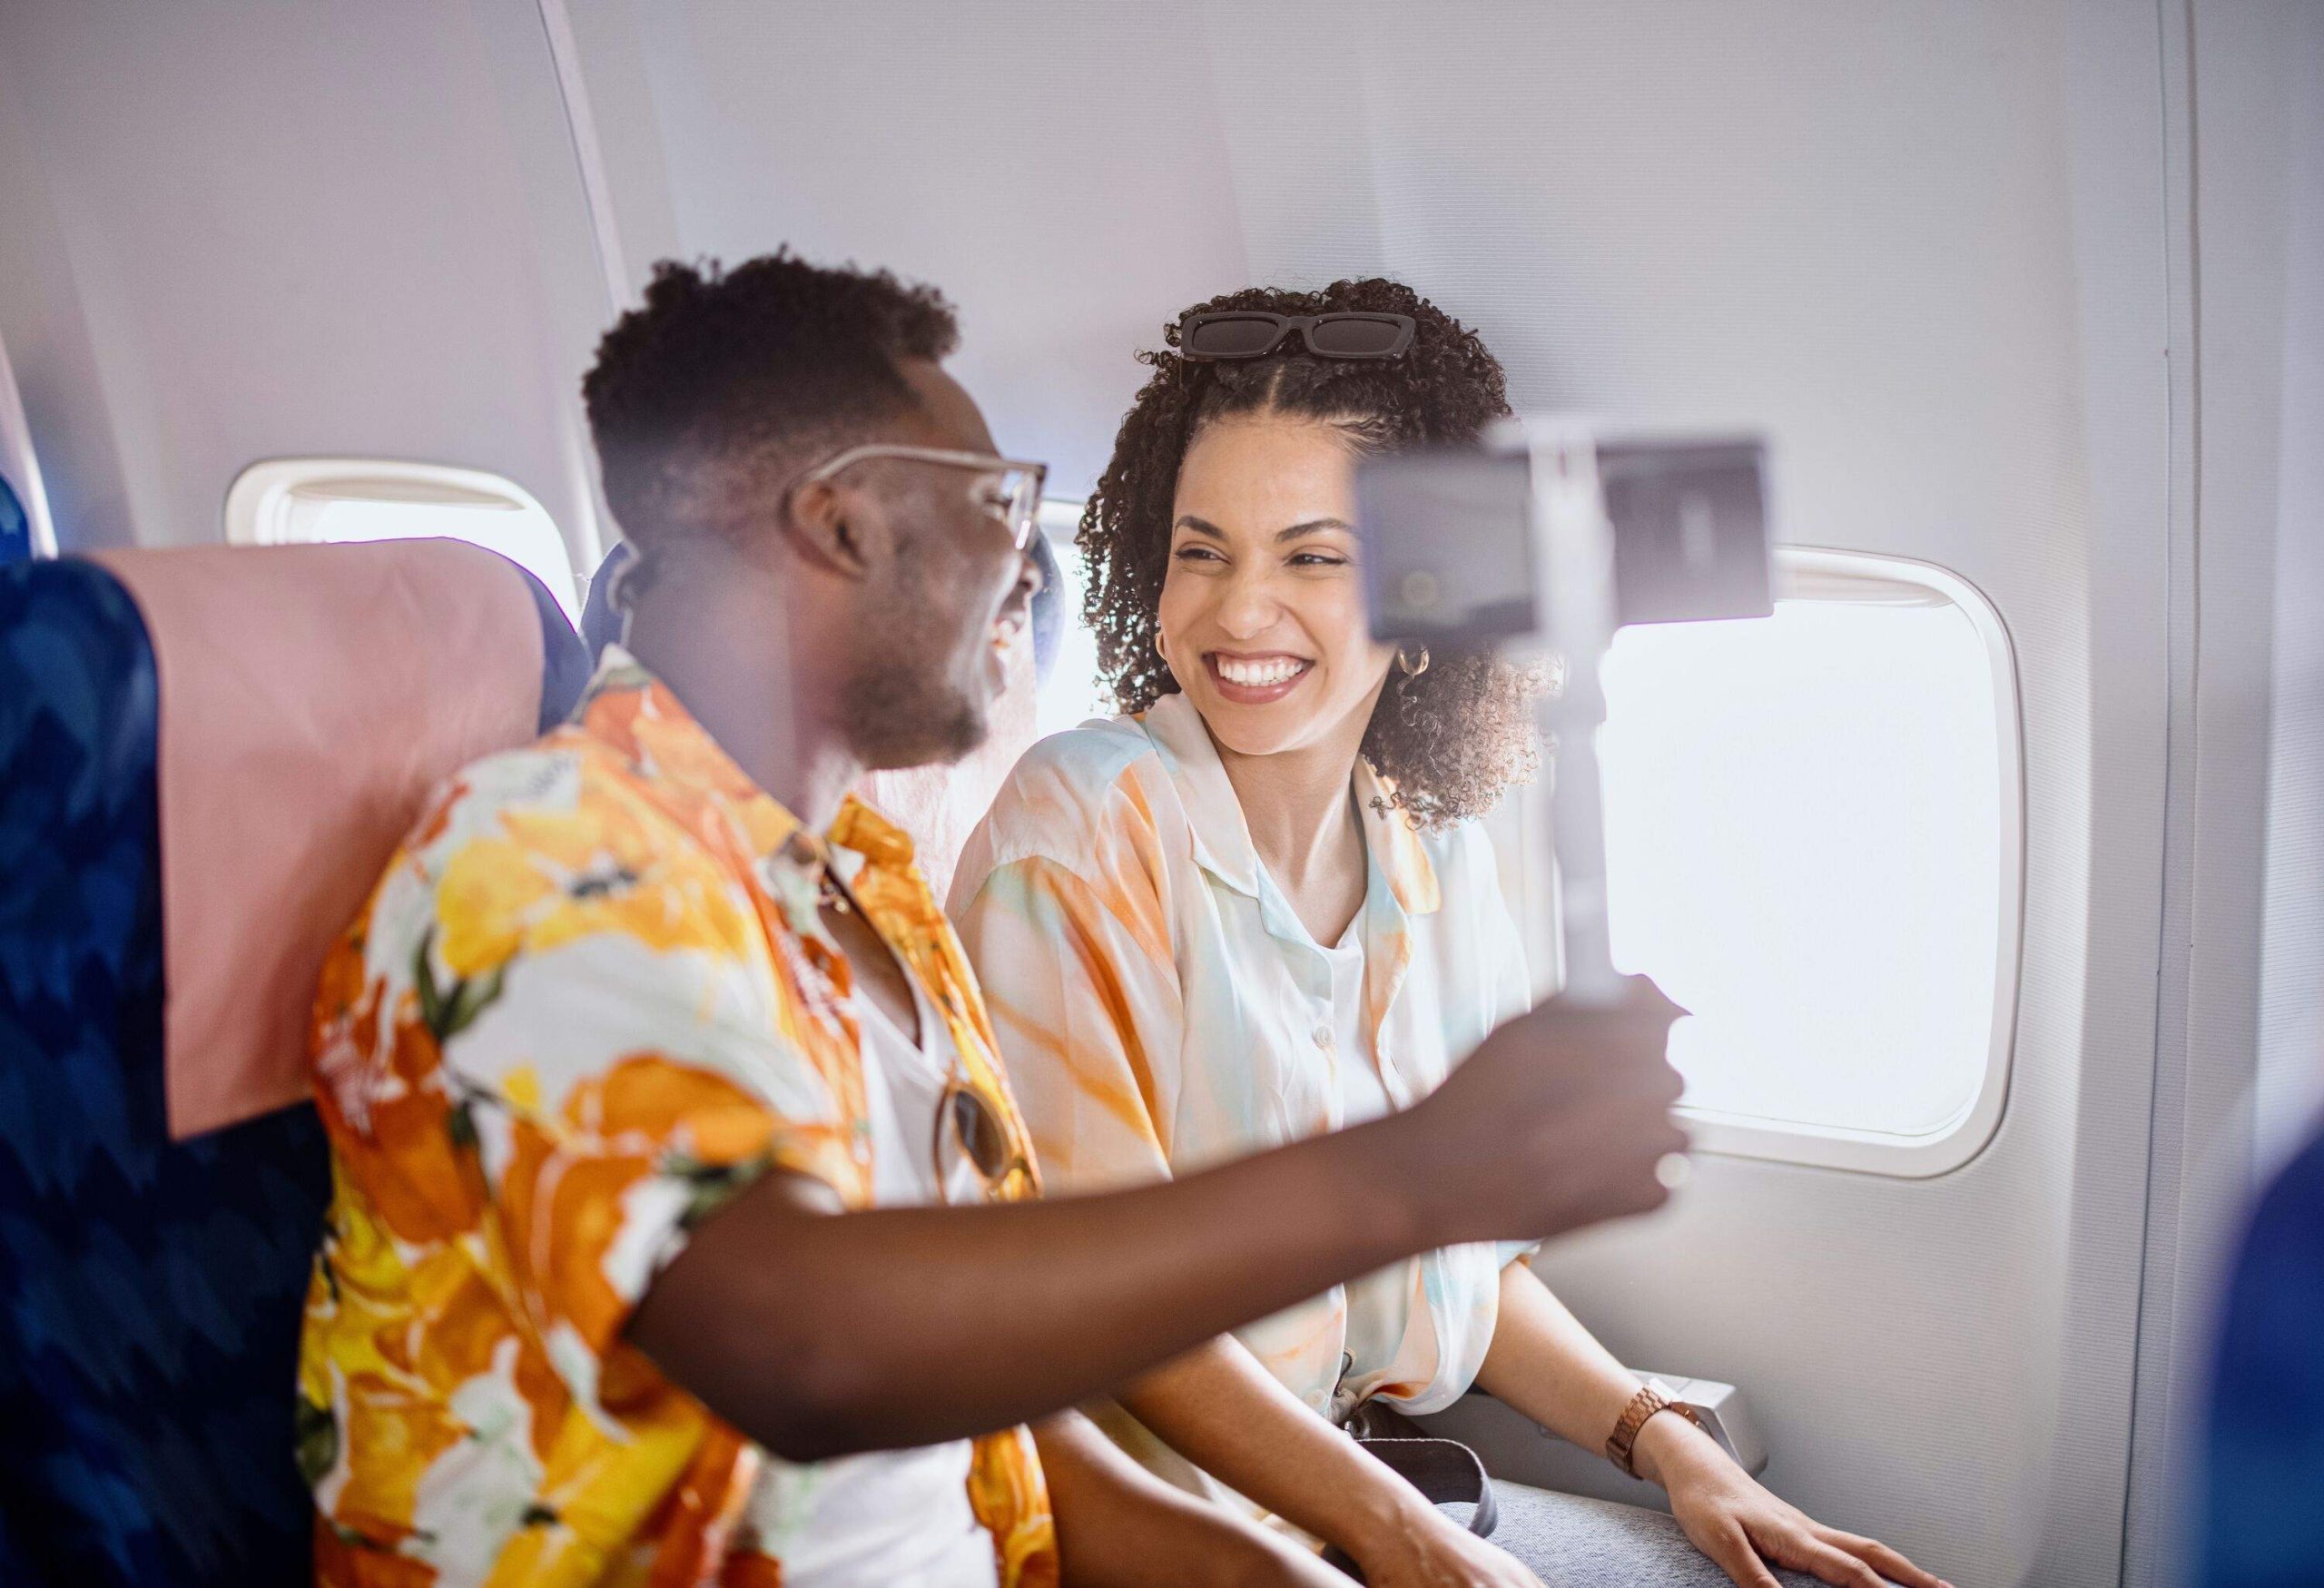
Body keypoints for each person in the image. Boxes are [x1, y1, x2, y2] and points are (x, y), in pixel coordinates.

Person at [295, 252, 1692, 1587]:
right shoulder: (549, 860)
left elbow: (1013, 1429)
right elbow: (807, 1346)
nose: (1037, 569)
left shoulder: (867, 899)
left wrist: (1279, 1571)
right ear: (839, 525)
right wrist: (1412, 1173)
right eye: (995, 504)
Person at [952, 279, 1948, 1588]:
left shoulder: (1431, 856)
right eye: (1203, 550)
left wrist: (1662, 1438)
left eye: (1314, 556)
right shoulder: (1080, 821)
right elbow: (1114, 1310)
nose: (1241, 612)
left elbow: (1468, 1271)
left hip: (1361, 1497)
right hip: (1164, 1541)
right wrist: (1400, 1535)